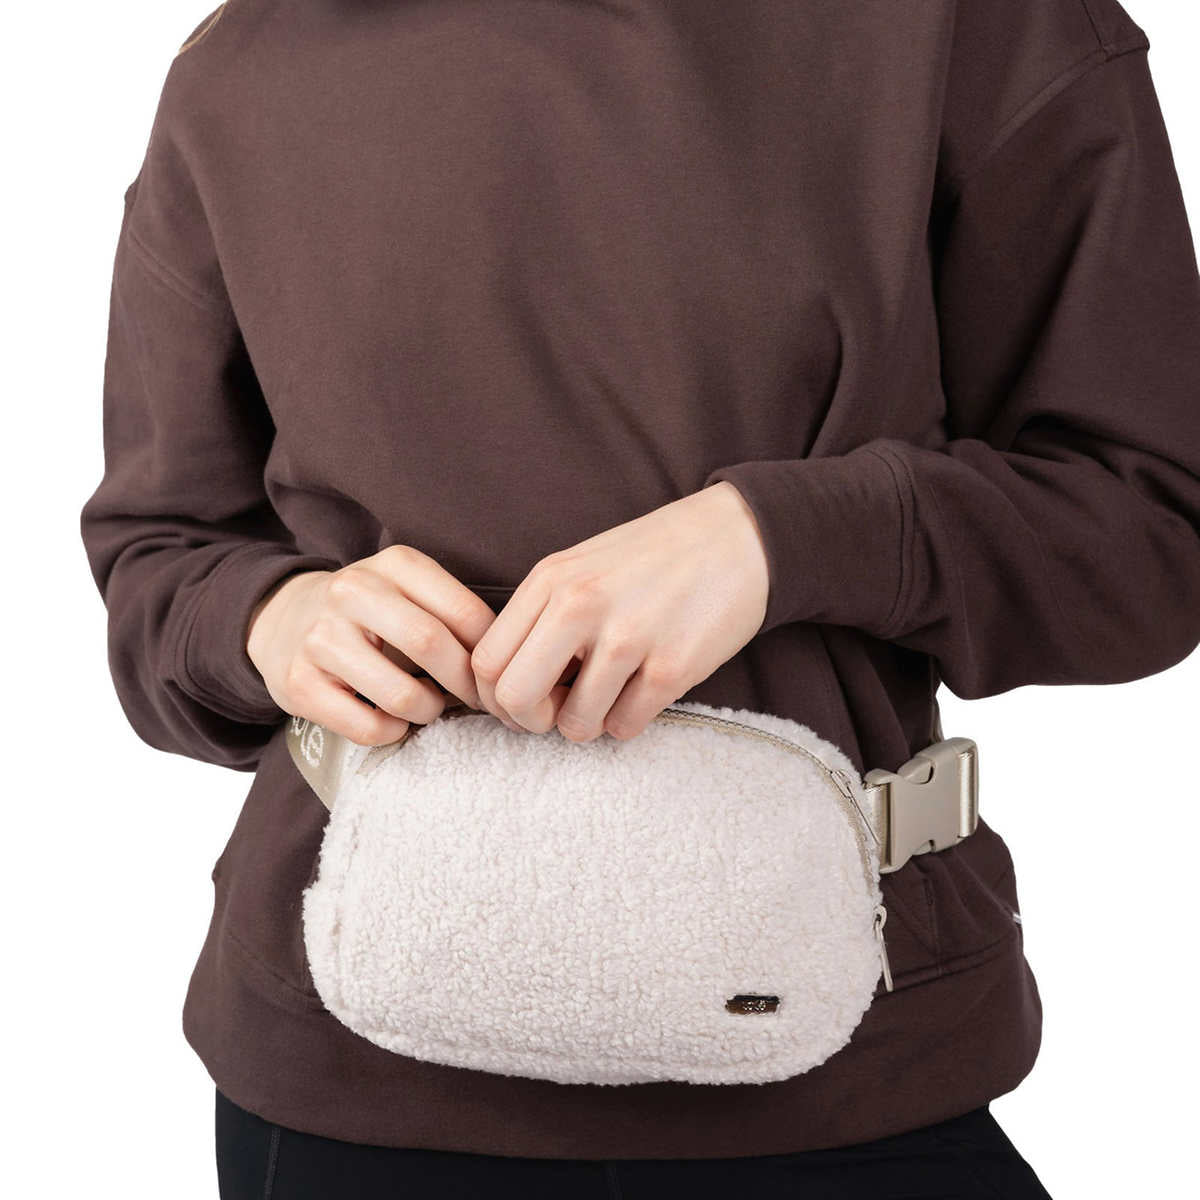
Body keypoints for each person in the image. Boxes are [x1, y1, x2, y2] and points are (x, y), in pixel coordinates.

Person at [79, 0, 1200, 1196]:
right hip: (345, 1076)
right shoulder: (245, 63)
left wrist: (777, 542)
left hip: (844, 1057)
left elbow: (1152, 528)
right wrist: (272, 620)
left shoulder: (976, 25)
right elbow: (160, 551)